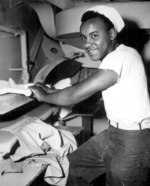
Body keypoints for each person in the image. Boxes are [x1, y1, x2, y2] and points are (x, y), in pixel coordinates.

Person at [29, 5, 150, 186]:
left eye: (94, 36)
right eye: (84, 38)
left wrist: (42, 96)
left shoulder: (121, 57)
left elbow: (73, 95)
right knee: (73, 166)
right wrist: (49, 90)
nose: (86, 44)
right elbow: (82, 86)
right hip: (113, 133)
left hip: (133, 140)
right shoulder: (115, 58)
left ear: (111, 34)